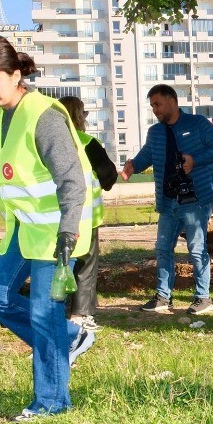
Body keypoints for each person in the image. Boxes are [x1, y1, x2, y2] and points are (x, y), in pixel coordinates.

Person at [0, 36, 97, 420]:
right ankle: (71, 338)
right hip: (24, 227)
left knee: (43, 314)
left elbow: (73, 181)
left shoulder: (45, 115)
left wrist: (68, 233)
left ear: (16, 74)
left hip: (58, 231)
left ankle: (52, 402)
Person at [120, 84, 213, 315]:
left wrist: (194, 160)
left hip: (196, 198)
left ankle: (203, 297)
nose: (155, 110)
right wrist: (133, 166)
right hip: (168, 201)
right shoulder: (155, 132)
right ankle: (163, 296)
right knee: (163, 248)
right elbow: (148, 154)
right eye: (152, 106)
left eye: (157, 104)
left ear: (172, 101)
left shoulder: (198, 124)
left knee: (196, 248)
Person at [58, 96, 118, 330]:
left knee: (60, 263)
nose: (86, 118)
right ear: (77, 116)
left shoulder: (46, 142)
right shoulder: (86, 143)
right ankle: (80, 315)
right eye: (84, 113)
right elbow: (109, 175)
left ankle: (57, 311)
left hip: (54, 217)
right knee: (85, 264)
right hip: (84, 217)